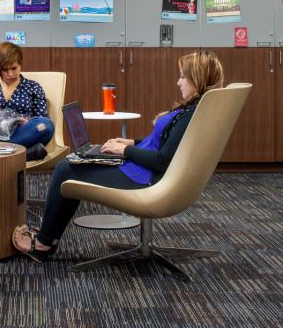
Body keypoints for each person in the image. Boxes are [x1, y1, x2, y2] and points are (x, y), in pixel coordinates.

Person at [12, 51, 224, 262]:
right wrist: (131, 143)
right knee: (74, 165)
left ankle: (42, 244)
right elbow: (164, 144)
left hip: (146, 178)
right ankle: (50, 239)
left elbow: (162, 160)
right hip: (142, 169)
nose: (179, 82)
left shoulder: (190, 115)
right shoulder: (194, 110)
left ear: (198, 79)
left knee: (66, 170)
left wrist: (125, 151)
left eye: (183, 77)